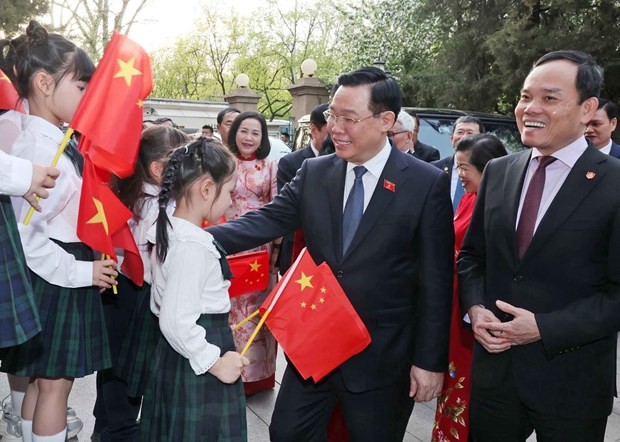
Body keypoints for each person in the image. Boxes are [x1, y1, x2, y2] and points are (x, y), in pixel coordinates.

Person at [208, 66, 454, 441]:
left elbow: (437, 281)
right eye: (333, 116)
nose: (336, 127)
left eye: (349, 118)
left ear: (386, 120)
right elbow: (265, 221)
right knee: (287, 432)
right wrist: (193, 239)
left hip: (382, 355)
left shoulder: (425, 183)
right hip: (316, 345)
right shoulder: (315, 172)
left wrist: (429, 362)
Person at [458, 50, 620, 442]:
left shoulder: (614, 182)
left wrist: (544, 328)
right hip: (496, 376)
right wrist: (476, 308)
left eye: (549, 98)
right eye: (525, 96)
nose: (530, 108)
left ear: (588, 109)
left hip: (572, 381)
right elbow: (471, 257)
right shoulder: (498, 171)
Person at [0, 21, 118, 442]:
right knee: (55, 386)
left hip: (59, 272)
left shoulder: (54, 140)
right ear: (46, 84)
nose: (88, 97)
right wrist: (84, 272)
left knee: (41, 382)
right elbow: (29, 240)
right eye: (82, 86)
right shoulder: (38, 149)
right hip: (57, 274)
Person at [139, 138, 249, 441]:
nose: (231, 199)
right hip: (197, 359)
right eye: (229, 191)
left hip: (180, 355)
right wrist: (215, 362)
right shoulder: (191, 246)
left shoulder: (172, 230)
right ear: (205, 189)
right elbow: (175, 319)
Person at [91, 126, 190, 442]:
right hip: (141, 299)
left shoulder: (131, 198)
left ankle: (104, 429)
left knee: (114, 374)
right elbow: (161, 269)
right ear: (158, 168)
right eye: (182, 163)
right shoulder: (162, 210)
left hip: (119, 295)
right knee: (131, 378)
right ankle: (116, 432)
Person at [432, 134, 507, 441]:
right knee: (452, 380)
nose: (459, 174)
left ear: (487, 168)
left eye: (466, 167)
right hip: (456, 305)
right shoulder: (467, 198)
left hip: (476, 306)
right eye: (458, 166)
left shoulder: (498, 206)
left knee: (468, 383)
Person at [224, 111, 280, 395]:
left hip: (260, 246)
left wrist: (276, 252)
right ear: (234, 132)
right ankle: (229, 371)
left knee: (259, 311)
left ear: (262, 138)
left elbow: (277, 208)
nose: (248, 137)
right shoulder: (223, 162)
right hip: (227, 242)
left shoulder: (270, 166)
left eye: (255, 133)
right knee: (229, 308)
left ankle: (258, 377)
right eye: (243, 131)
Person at [276, 102, 329, 273]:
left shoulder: (348, 159)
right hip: (297, 250)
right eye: (330, 134)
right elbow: (287, 209)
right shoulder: (291, 163)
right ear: (314, 130)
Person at [432, 115, 484, 211]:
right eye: (460, 132)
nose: (464, 137)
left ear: (482, 139)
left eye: (470, 133)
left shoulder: (488, 170)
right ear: (452, 138)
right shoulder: (434, 169)